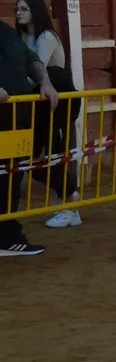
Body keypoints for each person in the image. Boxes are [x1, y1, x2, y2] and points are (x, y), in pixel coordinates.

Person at [14, 0, 80, 229]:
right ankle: (68, 193)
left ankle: (70, 206)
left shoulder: (46, 37)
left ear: (36, 11)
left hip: (57, 100)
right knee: (30, 157)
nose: (19, 13)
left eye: (24, 9)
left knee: (55, 152)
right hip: (38, 104)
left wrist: (13, 87)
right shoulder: (21, 37)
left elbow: (36, 69)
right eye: (17, 9)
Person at [0, 19, 57, 256]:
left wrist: (46, 82)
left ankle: (7, 236)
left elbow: (31, 59)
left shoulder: (6, 31)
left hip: (14, 121)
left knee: (11, 178)